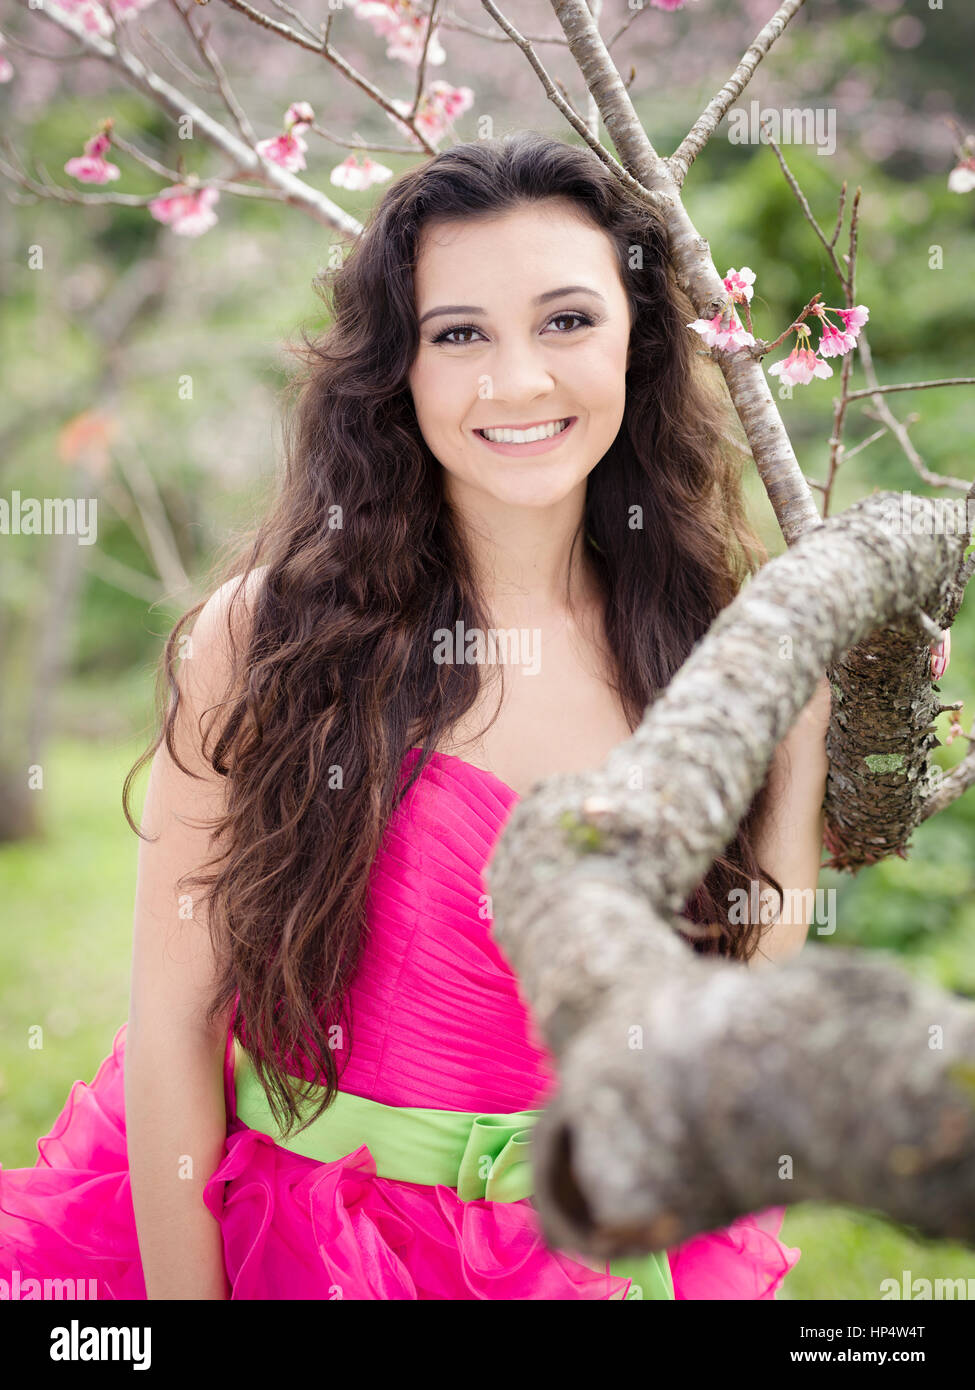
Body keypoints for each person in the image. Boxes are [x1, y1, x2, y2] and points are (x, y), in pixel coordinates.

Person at [0, 130, 829, 1300]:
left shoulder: (724, 655)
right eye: (459, 335)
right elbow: (175, 1022)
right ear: (400, 368)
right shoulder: (266, 639)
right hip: (317, 1245)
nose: (519, 380)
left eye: (566, 321)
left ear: (639, 341)